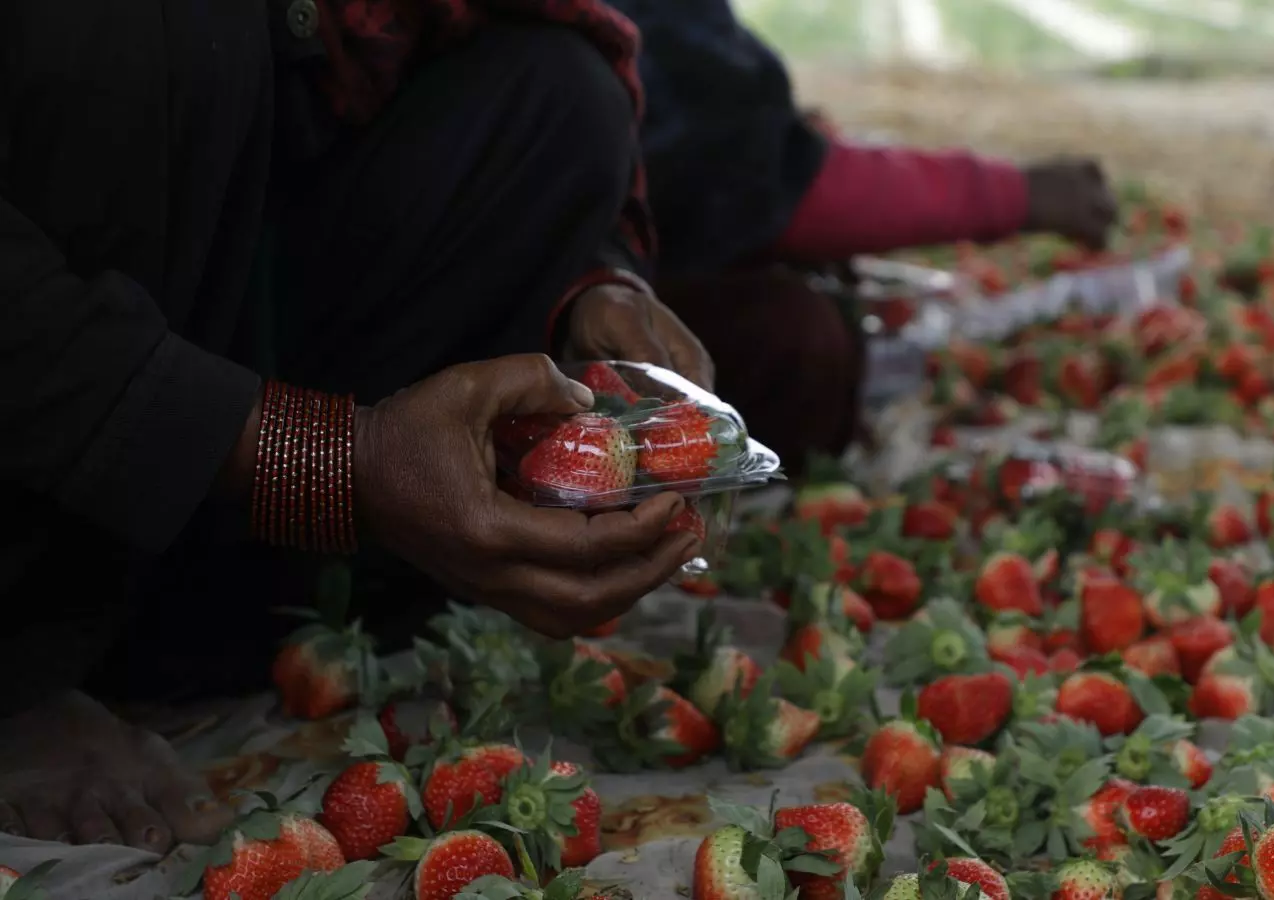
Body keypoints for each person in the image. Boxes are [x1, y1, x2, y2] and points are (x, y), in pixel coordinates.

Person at [0, 0, 715, 852]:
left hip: (233, 262)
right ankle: (24, 659)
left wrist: (601, 283)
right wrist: (322, 459)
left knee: (563, 95)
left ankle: (234, 606)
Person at [605, 0, 1118, 472]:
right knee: (798, 333)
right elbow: (784, 190)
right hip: (560, 324)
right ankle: (704, 501)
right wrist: (1020, 195)